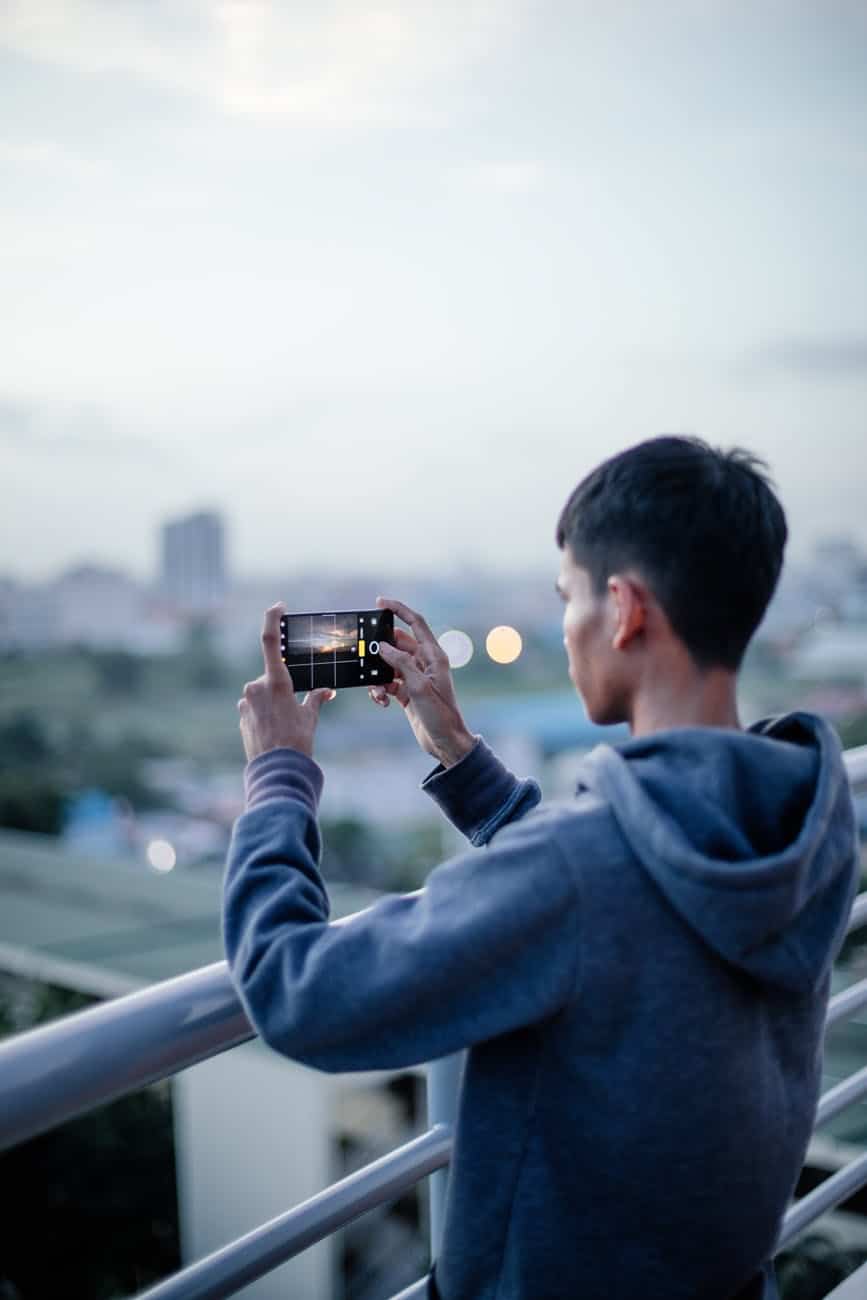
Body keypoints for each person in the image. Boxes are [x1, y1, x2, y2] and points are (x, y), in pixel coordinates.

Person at [223, 435, 858, 1300]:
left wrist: (277, 777)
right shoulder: (806, 817)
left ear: (625, 610)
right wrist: (454, 747)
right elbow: (630, 895)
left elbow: (300, 994)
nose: (565, 631)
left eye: (567, 599)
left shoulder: (578, 872)